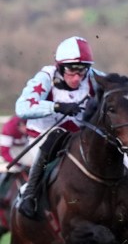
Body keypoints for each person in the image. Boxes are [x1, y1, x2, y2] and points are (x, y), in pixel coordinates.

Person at [14, 36, 99, 219]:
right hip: (43, 137)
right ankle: (30, 194)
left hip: (77, 138)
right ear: (59, 66)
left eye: (82, 71)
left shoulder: (92, 76)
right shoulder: (46, 77)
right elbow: (22, 108)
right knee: (56, 135)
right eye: (71, 70)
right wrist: (56, 107)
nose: (77, 77)